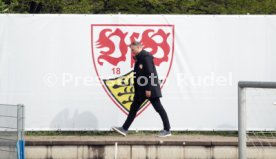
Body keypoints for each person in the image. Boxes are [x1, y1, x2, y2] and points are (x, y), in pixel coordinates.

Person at [112, 41, 171, 137]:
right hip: (141, 90)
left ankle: (167, 130)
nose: (132, 52)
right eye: (131, 50)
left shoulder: (146, 57)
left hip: (149, 89)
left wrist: (148, 89)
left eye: (133, 49)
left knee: (158, 108)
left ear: (139, 47)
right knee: (134, 108)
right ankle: (124, 129)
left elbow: (150, 73)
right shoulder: (139, 58)